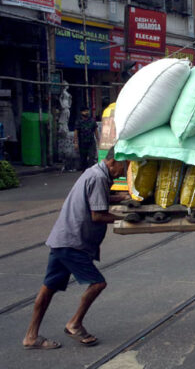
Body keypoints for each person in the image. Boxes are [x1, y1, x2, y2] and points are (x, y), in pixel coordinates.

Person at [22, 148, 127, 350]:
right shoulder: (99, 179)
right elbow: (97, 215)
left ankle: (31, 336)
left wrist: (119, 199)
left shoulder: (93, 172)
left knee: (48, 288)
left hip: (62, 238)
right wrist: (125, 218)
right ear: (113, 162)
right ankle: (74, 324)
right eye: (125, 165)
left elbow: (96, 200)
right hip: (73, 242)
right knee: (97, 284)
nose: (124, 171)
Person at [74, 107, 98, 171]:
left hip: (91, 142)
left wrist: (98, 140)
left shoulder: (92, 120)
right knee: (83, 159)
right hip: (82, 143)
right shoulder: (78, 121)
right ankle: (84, 172)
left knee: (92, 158)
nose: (86, 112)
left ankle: (91, 172)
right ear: (81, 112)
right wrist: (75, 143)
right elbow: (76, 132)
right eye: (84, 111)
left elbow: (95, 131)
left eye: (87, 111)